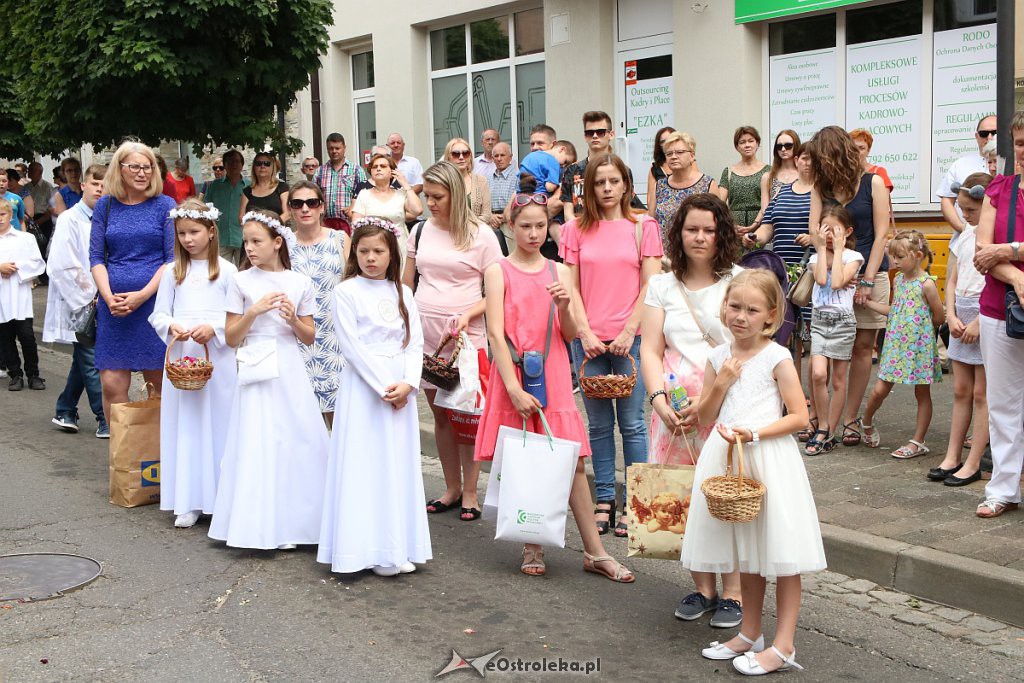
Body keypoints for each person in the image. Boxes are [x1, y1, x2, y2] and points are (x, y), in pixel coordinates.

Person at [475, 183, 634, 583]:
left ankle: (595, 553)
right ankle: (532, 542)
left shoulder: (558, 270)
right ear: (510, 226)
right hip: (514, 375)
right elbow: (496, 334)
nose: (533, 234)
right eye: (526, 225)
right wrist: (513, 389)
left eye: (540, 226)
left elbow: (566, 333)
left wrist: (565, 305)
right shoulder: (498, 271)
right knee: (522, 460)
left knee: (572, 461)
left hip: (554, 373)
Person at [684, 269, 823, 675]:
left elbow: (799, 417)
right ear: (724, 306)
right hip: (728, 458)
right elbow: (705, 418)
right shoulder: (717, 357)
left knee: (781, 554)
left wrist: (756, 433)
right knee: (745, 552)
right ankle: (749, 633)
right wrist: (721, 383)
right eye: (734, 306)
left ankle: (784, 645)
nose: (740, 316)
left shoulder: (777, 356)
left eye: (752, 310)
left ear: (771, 315)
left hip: (768, 458)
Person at [638, 192, 744, 627]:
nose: (700, 237)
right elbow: (648, 348)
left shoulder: (738, 280)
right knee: (681, 495)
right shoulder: (661, 284)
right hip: (674, 410)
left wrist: (709, 399)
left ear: (722, 234)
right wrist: (658, 399)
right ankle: (702, 586)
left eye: (708, 229)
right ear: (678, 234)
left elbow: (748, 343)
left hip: (726, 403)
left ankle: (734, 591)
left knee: (728, 494)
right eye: (691, 229)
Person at [209, 209, 329, 549]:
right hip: (255, 363)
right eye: (246, 241)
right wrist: (253, 311)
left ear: (277, 243)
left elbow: (309, 337)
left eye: (256, 241)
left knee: (296, 438)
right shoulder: (240, 281)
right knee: (258, 440)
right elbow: (231, 337)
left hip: (289, 366)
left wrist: (292, 319)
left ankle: (300, 524)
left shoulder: (298, 281)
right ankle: (259, 525)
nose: (249, 248)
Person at [318, 217, 430, 576]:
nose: (370, 258)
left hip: (399, 386)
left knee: (396, 465)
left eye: (378, 251)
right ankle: (365, 549)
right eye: (363, 251)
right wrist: (386, 387)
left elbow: (415, 342)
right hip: (366, 389)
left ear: (391, 254)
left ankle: (397, 546)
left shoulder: (403, 292)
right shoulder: (345, 292)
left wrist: (409, 384)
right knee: (366, 464)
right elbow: (352, 346)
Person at [561, 154, 662, 537]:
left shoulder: (643, 226)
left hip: (631, 341)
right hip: (588, 343)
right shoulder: (575, 229)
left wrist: (628, 331)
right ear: (589, 186)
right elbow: (570, 285)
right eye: (599, 182)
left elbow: (650, 286)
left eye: (613, 181)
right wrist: (584, 333)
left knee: (634, 424)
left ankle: (637, 501)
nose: (606, 189)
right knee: (599, 426)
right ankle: (605, 497)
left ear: (626, 185)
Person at [402, 161, 502, 522]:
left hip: (465, 337)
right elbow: (406, 282)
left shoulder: (481, 235)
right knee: (441, 414)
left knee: (466, 416)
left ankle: (472, 491)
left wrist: (468, 315)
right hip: (427, 336)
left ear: (455, 195)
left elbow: (498, 292)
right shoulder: (420, 231)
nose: (430, 202)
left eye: (437, 196)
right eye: (427, 195)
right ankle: (451, 488)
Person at [148, 198, 238, 529]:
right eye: (182, 233)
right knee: (186, 426)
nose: (188, 239)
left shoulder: (228, 272)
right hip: (184, 358)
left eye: (194, 232)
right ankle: (187, 499)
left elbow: (235, 320)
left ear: (211, 231)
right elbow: (159, 312)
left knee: (218, 424)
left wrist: (213, 329)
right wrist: (170, 325)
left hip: (217, 359)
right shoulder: (173, 272)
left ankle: (220, 497)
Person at [809, 126, 890, 448]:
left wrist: (867, 279)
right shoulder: (821, 186)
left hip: (871, 272)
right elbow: (815, 232)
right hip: (831, 279)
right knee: (825, 351)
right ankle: (821, 417)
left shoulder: (875, 183)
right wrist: (834, 267)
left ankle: (851, 418)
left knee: (861, 349)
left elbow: (882, 234)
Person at [89, 141, 176, 421]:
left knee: (158, 386)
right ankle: (123, 459)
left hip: (153, 305)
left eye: (147, 167)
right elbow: (96, 258)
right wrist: (107, 295)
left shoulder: (165, 206)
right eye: (135, 167)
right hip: (114, 307)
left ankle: (159, 457)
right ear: (120, 169)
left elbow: (171, 259)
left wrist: (142, 295)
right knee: (112, 384)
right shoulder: (106, 206)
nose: (142, 173)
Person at [972, 110, 1024, 519]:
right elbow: (981, 252)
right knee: (1003, 403)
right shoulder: (998, 189)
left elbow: (997, 250)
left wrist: (1011, 251)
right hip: (998, 309)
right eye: (1019, 143)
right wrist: (1017, 278)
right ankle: (1003, 488)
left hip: (1008, 295)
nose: (1023, 151)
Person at [930, 172, 992, 486]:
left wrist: (981, 321)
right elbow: (952, 279)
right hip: (961, 313)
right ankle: (952, 455)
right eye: (961, 208)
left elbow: (997, 283)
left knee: (982, 393)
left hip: (984, 314)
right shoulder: (964, 235)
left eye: (970, 210)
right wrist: (950, 315)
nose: (963, 215)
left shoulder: (993, 236)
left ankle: (973, 461)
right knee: (960, 390)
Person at [860, 231, 944, 458]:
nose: (894, 261)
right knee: (879, 390)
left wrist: (922, 330)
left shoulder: (927, 285)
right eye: (892, 256)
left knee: (922, 394)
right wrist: (870, 304)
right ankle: (866, 421)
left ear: (917, 255)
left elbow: (938, 317)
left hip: (919, 348)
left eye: (899, 256)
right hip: (895, 346)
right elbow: (895, 311)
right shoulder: (897, 279)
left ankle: (918, 441)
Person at [744, 141, 814, 410]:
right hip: (780, 273)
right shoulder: (783, 193)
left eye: (810, 159)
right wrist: (755, 238)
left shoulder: (821, 193)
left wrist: (813, 237)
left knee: (806, 339)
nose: (805, 163)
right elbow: (767, 229)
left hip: (808, 274)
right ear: (796, 161)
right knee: (783, 336)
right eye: (802, 158)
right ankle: (787, 393)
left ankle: (805, 401)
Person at [44, 164, 107, 435]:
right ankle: (106, 418)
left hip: (103, 298)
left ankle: (65, 409)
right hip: (79, 300)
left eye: (105, 186)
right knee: (91, 357)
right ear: (83, 185)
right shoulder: (70, 219)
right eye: (95, 184)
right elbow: (61, 264)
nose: (100, 190)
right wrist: (91, 294)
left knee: (83, 357)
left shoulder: (106, 218)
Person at [288, 180, 350, 427]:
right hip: (299, 338)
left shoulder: (340, 239)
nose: (305, 209)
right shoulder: (284, 244)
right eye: (297, 203)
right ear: (290, 209)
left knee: (339, 419)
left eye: (311, 203)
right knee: (305, 420)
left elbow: (355, 283)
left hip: (336, 337)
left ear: (321, 207)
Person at [804, 207, 863, 456]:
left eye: (835, 230)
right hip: (819, 320)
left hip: (843, 322)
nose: (829, 235)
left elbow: (837, 281)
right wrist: (820, 248)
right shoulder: (815, 256)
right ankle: (823, 424)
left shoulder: (854, 256)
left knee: (838, 380)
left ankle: (829, 432)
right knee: (818, 374)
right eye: (824, 229)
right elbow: (820, 279)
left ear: (848, 231)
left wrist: (838, 251)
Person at [561, 111, 643, 222]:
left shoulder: (623, 170)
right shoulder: (572, 170)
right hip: (581, 232)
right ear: (585, 136)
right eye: (590, 133)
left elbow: (626, 207)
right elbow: (568, 214)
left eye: (600, 132)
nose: (595, 136)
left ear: (611, 135)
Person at [0, 197, 46, 391]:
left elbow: (38, 263)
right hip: (1, 296)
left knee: (27, 336)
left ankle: (33, 374)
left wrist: (17, 268)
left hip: (20, 295)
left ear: (10, 215)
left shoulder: (25, 238)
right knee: (5, 338)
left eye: (2, 214)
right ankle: (15, 374)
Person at [652, 132, 718, 248]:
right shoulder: (659, 186)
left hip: (695, 253)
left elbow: (718, 223)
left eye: (680, 152)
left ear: (692, 155)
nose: (673, 156)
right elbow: (651, 222)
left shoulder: (707, 184)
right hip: (663, 257)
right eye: (669, 153)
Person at [936, 115, 997, 238]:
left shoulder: (1013, 164)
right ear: (977, 136)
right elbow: (947, 200)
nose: (989, 137)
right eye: (984, 133)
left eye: (995, 133)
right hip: (961, 244)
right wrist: (963, 229)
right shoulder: (960, 164)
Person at [350, 154, 423, 253]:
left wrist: (405, 184)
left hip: (399, 248)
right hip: (374, 249)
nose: (378, 169)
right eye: (375, 167)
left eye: (383, 166)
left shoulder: (401, 194)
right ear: (371, 172)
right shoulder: (364, 195)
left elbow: (417, 210)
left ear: (392, 171)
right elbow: (356, 225)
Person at [717, 126, 770, 236]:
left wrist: (755, 225)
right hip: (734, 229)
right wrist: (730, 224)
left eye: (751, 141)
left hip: (761, 227)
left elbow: (771, 203)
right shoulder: (728, 172)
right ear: (737, 146)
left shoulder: (769, 170)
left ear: (757, 144)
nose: (747, 145)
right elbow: (719, 203)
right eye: (742, 142)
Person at [315, 132, 368, 234]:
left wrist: (354, 208)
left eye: (337, 148)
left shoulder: (356, 170)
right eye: (330, 148)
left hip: (350, 224)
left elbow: (365, 196)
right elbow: (314, 196)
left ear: (344, 147)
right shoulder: (320, 171)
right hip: (326, 225)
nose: (334, 151)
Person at [203, 150, 249, 265]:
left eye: (237, 161)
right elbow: (205, 209)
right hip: (220, 238)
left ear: (242, 165)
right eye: (229, 162)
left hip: (244, 238)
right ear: (225, 165)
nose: (233, 164)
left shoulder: (250, 186)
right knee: (219, 273)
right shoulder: (214, 185)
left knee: (244, 273)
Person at [444, 138, 491, 223]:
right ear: (448, 158)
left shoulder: (481, 181)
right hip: (449, 233)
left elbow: (487, 215)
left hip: (476, 233)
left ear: (470, 157)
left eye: (465, 153)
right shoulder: (443, 183)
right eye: (456, 154)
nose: (461, 157)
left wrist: (466, 224)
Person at [486, 142, 518, 254]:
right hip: (491, 221)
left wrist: (504, 217)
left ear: (511, 157)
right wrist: (491, 217)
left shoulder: (518, 176)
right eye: (496, 156)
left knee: (512, 257)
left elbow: (519, 201)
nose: (499, 159)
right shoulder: (487, 178)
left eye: (502, 155)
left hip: (510, 222)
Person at [239, 152, 289, 224]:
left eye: (267, 163)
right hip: (254, 232)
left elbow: (287, 213)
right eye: (258, 163)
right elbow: (241, 217)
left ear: (273, 167)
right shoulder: (247, 191)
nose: (262, 166)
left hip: (277, 231)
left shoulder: (282, 187)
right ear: (254, 168)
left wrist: (270, 225)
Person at [762, 130, 801, 208]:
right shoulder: (768, 177)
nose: (783, 149)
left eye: (788, 145)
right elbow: (764, 209)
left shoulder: (804, 175)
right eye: (779, 146)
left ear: (796, 146)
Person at [849, 129, 893, 193]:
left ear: (868, 150)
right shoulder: (844, 173)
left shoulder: (879, 171)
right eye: (853, 148)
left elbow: (885, 201)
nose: (857, 152)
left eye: (861, 148)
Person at [645, 126, 676, 213]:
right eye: (663, 141)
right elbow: (650, 200)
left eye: (670, 139)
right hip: (663, 213)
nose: (667, 143)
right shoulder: (655, 168)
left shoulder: (687, 162)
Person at [387, 133, 424, 197]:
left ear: (403, 145)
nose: (396, 145)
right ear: (388, 146)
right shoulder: (384, 163)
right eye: (392, 143)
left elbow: (420, 185)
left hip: (410, 202)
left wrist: (405, 196)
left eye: (399, 142)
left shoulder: (414, 162)